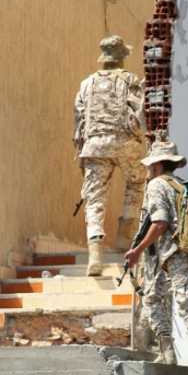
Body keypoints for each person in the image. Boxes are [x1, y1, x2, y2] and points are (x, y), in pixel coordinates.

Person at [123, 140, 188, 375]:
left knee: (186, 304)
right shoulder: (179, 185)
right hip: (176, 255)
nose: (148, 170)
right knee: (153, 296)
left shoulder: (157, 185)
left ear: (156, 165)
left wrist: (137, 250)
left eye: (149, 165)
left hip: (175, 255)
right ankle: (167, 353)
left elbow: (160, 223)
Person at [74, 35, 148, 276]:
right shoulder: (130, 80)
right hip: (126, 143)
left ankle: (95, 252)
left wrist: (81, 152)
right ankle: (124, 239)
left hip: (94, 146)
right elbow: (138, 114)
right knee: (136, 182)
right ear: (122, 57)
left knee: (94, 198)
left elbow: (79, 121)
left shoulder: (86, 84)